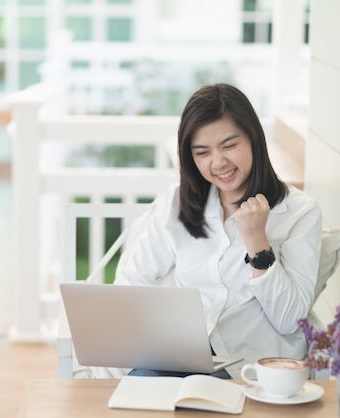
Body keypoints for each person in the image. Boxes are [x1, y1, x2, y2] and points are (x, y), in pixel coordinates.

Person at [113, 83, 322, 378]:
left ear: (253, 139)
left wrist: (257, 244)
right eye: (202, 152)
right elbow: (132, 281)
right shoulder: (175, 204)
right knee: (140, 386)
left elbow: (290, 320)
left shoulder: (300, 213)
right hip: (176, 355)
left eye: (229, 146)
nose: (218, 162)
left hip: (245, 366)